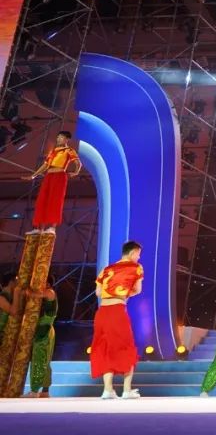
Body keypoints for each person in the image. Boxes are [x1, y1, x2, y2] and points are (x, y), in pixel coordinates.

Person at [92, 240, 143, 400]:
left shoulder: (107, 269)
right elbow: (138, 290)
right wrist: (125, 293)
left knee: (105, 348)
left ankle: (108, 389)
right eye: (138, 255)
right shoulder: (136, 267)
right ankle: (126, 390)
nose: (139, 258)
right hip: (117, 311)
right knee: (126, 346)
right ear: (133, 253)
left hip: (102, 313)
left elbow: (98, 292)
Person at [24, 131, 81, 234]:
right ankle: (39, 228)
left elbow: (78, 163)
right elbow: (45, 165)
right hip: (48, 176)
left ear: (67, 139)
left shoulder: (69, 150)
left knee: (55, 200)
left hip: (59, 176)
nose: (58, 139)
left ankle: (52, 228)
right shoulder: (53, 151)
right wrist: (33, 175)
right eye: (58, 137)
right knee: (42, 200)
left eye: (61, 137)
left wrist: (76, 172)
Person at [26, 276, 58, 398]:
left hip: (45, 330)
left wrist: (27, 291)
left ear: (47, 283)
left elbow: (34, 294)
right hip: (43, 329)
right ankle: (45, 391)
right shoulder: (46, 294)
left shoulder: (50, 292)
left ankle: (34, 390)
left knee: (40, 359)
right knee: (44, 360)